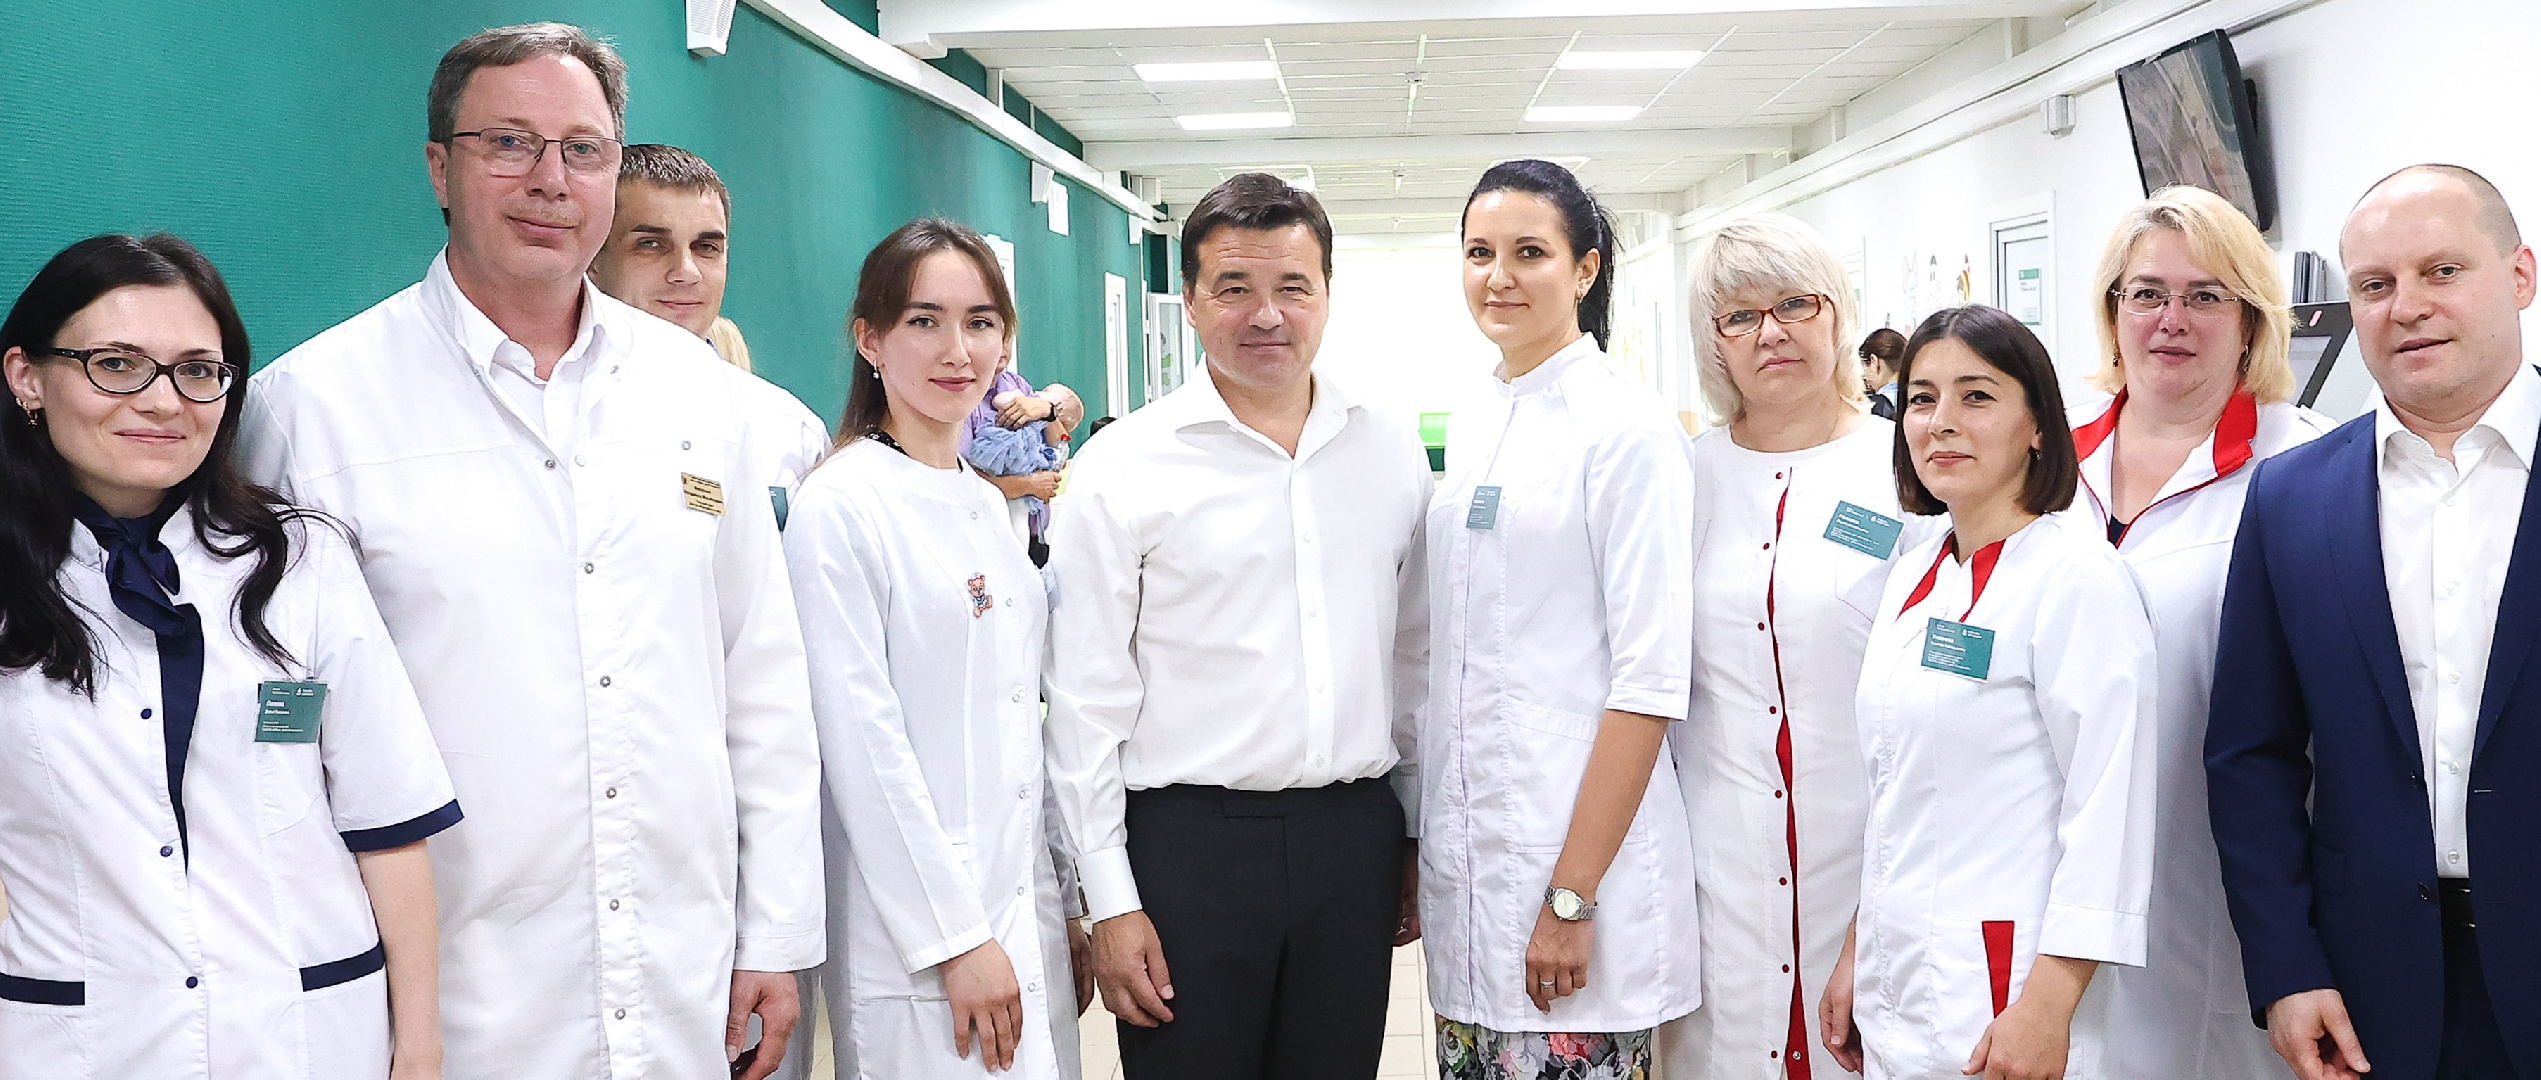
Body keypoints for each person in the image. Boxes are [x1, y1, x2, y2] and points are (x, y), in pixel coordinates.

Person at [237, 24, 824, 1080]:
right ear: (440, 169)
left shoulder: (699, 395)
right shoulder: (311, 410)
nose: (550, 180)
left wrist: (774, 932)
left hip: (679, 970)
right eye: (508, 143)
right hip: (441, 999)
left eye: (583, 150)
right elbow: (275, 727)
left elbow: (761, 678)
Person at [0, 234, 460, 1077]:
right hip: (78, 1041)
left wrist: (421, 1048)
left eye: (197, 371)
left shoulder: (299, 560)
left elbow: (387, 821)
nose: (163, 401)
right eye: (116, 364)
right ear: (27, 377)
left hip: (309, 1032)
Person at [1043, 173, 1431, 1079]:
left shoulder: (1386, 449)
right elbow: (1084, 698)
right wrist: (1109, 898)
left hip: (1352, 840)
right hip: (1186, 851)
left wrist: (1413, 833)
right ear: (1189, 301)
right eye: (1233, 288)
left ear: (1326, 294)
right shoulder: (1123, 465)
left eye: (1292, 286)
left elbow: (1412, 659)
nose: (1266, 314)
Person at [2209, 163, 2541, 1080]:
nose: (2407, 307)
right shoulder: (2291, 497)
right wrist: (2285, 966)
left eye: (2442, 271)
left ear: (2519, 276)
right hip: (2373, 991)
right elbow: (2250, 754)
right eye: (2374, 285)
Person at [1819, 305, 2157, 1080]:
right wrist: (1858, 951)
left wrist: (2047, 1006)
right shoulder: (1914, 576)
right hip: (1897, 984)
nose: (1941, 421)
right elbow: (1896, 792)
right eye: (1921, 398)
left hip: (2007, 998)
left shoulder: (2077, 580)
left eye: (1976, 396)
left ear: (2037, 425)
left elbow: (2109, 811)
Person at [784, 218, 1087, 1078]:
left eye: (980, 322)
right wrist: (954, 938)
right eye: (924, 321)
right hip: (923, 941)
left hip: (1020, 910)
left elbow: (1018, 726)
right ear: (869, 339)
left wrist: (1061, 898)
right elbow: (862, 747)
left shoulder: (985, 504)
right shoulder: (842, 506)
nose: (958, 351)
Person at [1419, 159, 1698, 1080]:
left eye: (1528, 253)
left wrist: (1571, 898)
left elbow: (1649, 682)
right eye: (1479, 253)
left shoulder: (1626, 429)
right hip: (1475, 886)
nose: (1498, 276)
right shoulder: (1478, 416)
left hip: (1573, 888)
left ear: (1584, 270)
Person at [2063, 186, 2331, 1079]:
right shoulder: (2041, 464)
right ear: (2112, 313)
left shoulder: (2310, 464)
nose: (2170, 319)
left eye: (2204, 296)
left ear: (2251, 323)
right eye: (2146, 293)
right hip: (2055, 880)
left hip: (2222, 883)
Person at [1662, 213, 1937, 1080]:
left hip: (1871, 861)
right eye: (1739, 317)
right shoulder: (1682, 477)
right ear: (1713, 343)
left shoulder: (1910, 469)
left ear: (1836, 312)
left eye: (1793, 304)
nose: (1770, 332)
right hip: (1718, 872)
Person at [587, 142, 829, 498]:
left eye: (706, 248)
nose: (686, 271)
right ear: (594, 259)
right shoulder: (547, 412)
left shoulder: (792, 433)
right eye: (651, 244)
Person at [963, 362, 1080, 556]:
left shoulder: (1016, 383)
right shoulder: (964, 399)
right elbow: (963, 479)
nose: (1003, 351)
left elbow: (1061, 446)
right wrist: (1028, 484)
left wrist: (1047, 412)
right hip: (989, 540)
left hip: (1035, 534)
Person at [1859, 328, 1905, 420]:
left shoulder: (1872, 408)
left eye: (1863, 366)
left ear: (1874, 361)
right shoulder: (1913, 401)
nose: (1863, 375)